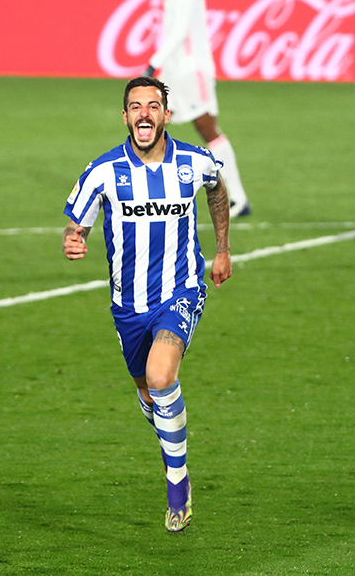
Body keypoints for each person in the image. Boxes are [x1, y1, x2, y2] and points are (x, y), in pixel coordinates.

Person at [61, 76, 232, 532]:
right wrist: (72, 241)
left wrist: (221, 248)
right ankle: (171, 449)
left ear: (166, 115)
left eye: (152, 106)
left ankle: (179, 487)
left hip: (182, 288)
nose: (144, 114)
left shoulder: (193, 162)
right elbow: (76, 225)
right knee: (147, 390)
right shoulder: (103, 171)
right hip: (128, 305)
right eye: (135, 107)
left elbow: (217, 189)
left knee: (161, 375)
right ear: (125, 117)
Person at [142, 0, 251, 218]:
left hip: (192, 71)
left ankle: (238, 198)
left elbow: (180, 31)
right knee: (150, 122)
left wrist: (152, 65)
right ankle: (148, 195)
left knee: (206, 128)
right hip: (175, 71)